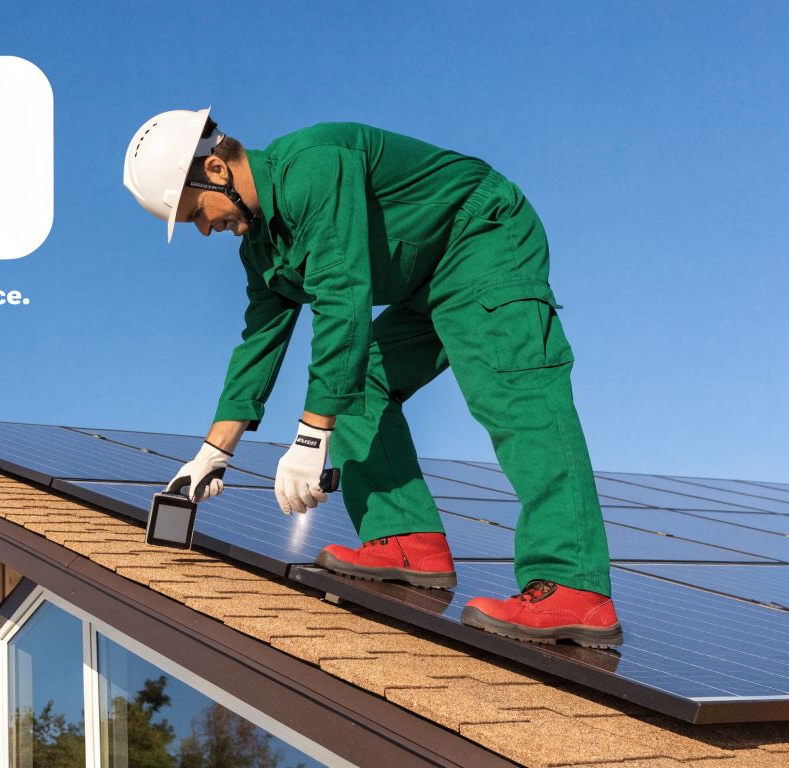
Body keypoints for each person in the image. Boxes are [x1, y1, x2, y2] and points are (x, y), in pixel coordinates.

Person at [122, 108, 622, 648]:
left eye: (196, 212)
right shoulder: (261, 248)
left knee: (515, 392)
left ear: (216, 169)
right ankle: (406, 539)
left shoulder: (313, 166)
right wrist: (211, 455)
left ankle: (575, 586)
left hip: (480, 238)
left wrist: (311, 438)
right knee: (356, 385)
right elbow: (259, 343)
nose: (202, 228)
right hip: (422, 280)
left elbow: (343, 301)